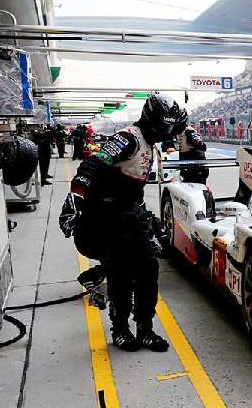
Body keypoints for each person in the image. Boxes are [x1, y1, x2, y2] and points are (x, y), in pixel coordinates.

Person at [59, 94, 187, 352]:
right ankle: (120, 328)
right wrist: (75, 198)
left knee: (149, 268)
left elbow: (132, 188)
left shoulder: (149, 143)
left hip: (131, 214)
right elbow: (93, 164)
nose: (168, 133)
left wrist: (147, 216)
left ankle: (145, 328)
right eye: (165, 128)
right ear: (153, 122)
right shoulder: (128, 138)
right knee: (120, 272)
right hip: (107, 215)